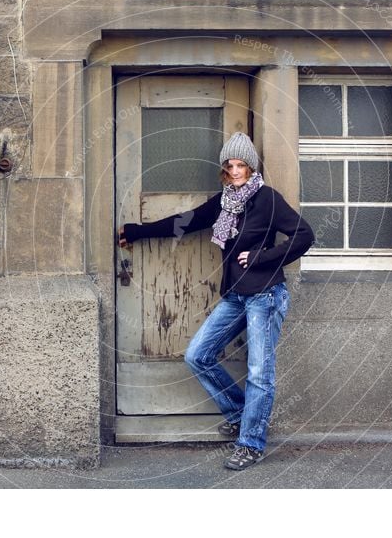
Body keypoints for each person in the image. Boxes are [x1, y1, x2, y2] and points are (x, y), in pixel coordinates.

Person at [118, 132, 314, 470]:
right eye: (230, 165)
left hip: (266, 295)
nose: (236, 171)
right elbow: (188, 221)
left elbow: (304, 234)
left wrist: (262, 257)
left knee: (259, 373)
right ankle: (240, 414)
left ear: (252, 167)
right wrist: (138, 231)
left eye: (242, 165)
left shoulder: (267, 199)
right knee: (198, 355)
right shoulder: (224, 202)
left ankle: (251, 443)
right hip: (237, 295)